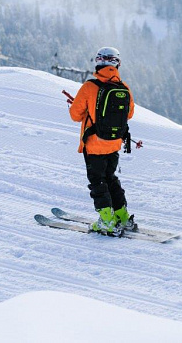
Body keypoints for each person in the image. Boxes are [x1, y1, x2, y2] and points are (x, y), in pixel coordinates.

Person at [69, 46, 135, 234]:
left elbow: (75, 114)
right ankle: (122, 217)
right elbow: (129, 114)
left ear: (98, 62)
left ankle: (107, 220)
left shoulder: (90, 87)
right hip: (114, 144)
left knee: (98, 182)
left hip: (94, 144)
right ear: (117, 64)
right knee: (111, 179)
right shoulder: (124, 88)